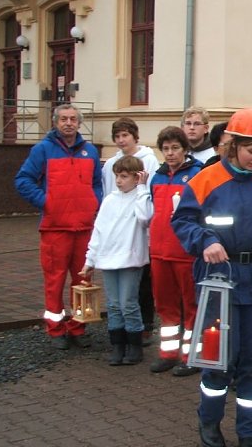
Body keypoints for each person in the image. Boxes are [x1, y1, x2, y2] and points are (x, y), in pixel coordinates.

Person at [172, 108, 252, 447]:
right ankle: (209, 423)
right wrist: (205, 240)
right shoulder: (205, 179)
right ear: (232, 146)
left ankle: (249, 432)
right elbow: (183, 220)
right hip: (218, 280)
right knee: (217, 360)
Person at [14, 103, 102, 349]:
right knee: (54, 280)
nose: (68, 123)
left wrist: (95, 202)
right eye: (64, 119)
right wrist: (46, 202)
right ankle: (55, 329)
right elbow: (23, 180)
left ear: (79, 122)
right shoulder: (43, 150)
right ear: (55, 122)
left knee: (82, 280)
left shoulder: (90, 151)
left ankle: (77, 326)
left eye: (73, 119)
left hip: (84, 227)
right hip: (55, 228)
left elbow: (98, 183)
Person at [82, 156, 153, 366]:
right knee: (113, 305)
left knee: (128, 303)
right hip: (108, 259)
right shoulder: (110, 200)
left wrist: (142, 189)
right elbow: (99, 231)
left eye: (124, 177)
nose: (119, 181)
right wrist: (90, 259)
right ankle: (117, 345)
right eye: (117, 176)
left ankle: (135, 345)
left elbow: (145, 218)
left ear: (136, 177)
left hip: (131, 260)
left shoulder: (142, 197)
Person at [148, 127, 203, 376]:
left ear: (185, 149)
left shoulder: (197, 174)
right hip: (160, 253)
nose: (170, 154)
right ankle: (168, 353)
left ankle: (191, 355)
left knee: (191, 306)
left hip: (185, 252)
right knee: (165, 306)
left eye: (175, 148)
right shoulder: (156, 177)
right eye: (166, 149)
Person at [101, 117, 160, 343]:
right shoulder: (110, 165)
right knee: (118, 291)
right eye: (117, 136)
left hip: (140, 228)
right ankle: (122, 330)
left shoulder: (148, 160)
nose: (121, 140)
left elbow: (150, 193)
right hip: (117, 230)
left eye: (125, 135)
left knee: (142, 282)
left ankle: (145, 325)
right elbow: (109, 193)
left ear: (135, 136)